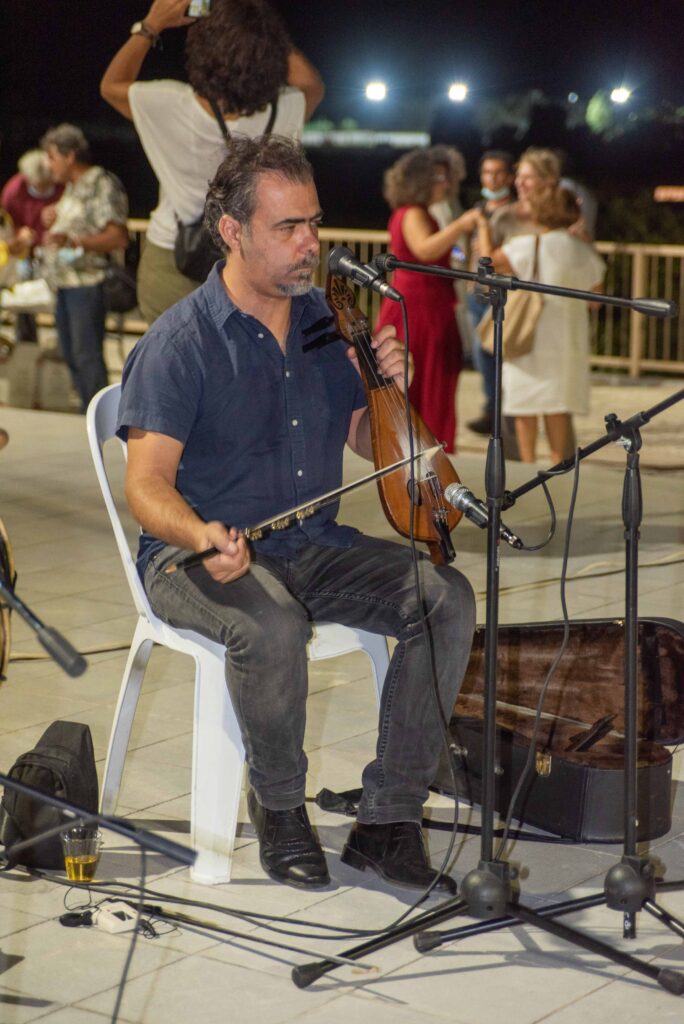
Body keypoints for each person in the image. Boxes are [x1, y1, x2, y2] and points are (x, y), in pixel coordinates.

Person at [117, 135, 476, 894]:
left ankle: (388, 820)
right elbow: (145, 486)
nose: (311, 243)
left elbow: (364, 440)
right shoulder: (180, 342)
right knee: (272, 624)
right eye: (288, 227)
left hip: (311, 542)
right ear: (233, 231)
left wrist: (387, 390)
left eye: (313, 222)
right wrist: (200, 532)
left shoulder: (326, 320)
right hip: (196, 556)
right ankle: (280, 809)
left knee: (444, 597)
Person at [100, 0, 324, 324]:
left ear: (202, 54)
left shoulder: (168, 103)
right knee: (251, 351)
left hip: (173, 261)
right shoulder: (285, 109)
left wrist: (151, 25)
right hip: (252, 261)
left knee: (173, 352)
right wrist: (263, 32)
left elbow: (111, 85)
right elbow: (312, 84)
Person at [476, 187, 605, 464]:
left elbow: (488, 263)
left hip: (531, 340)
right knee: (558, 408)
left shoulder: (528, 245)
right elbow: (596, 296)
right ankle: (558, 470)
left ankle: (528, 469)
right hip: (568, 343)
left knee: (526, 408)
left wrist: (482, 226)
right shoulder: (582, 250)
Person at [375, 147, 480, 453]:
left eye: (446, 178)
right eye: (438, 178)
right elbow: (424, 250)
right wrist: (461, 225)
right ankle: (426, 452)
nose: (445, 185)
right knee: (425, 382)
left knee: (422, 381)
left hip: (420, 305)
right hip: (420, 310)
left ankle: (419, 450)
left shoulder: (412, 213)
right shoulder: (414, 213)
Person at [40, 124, 128, 411]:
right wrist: (54, 218)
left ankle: (101, 419)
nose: (48, 164)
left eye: (52, 157)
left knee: (86, 355)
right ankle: (85, 415)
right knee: (71, 354)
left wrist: (73, 240)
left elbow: (117, 236)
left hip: (87, 283)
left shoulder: (100, 183)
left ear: (70, 156)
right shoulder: (72, 188)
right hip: (65, 283)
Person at [464, 150, 515, 435]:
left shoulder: (514, 212)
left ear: (509, 176)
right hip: (477, 288)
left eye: (498, 173)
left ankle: (503, 412)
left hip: (502, 292)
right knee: (481, 353)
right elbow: (467, 246)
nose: (492, 179)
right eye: (487, 172)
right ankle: (491, 408)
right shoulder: (479, 208)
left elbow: (495, 255)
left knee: (501, 353)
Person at [1, 149, 64, 342]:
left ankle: (60, 340)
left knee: (60, 299)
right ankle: (26, 343)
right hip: (24, 255)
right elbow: (7, 226)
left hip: (57, 254)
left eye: (46, 185)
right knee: (23, 301)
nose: (43, 190)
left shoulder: (62, 187)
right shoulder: (14, 190)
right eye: (38, 186)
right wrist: (19, 235)